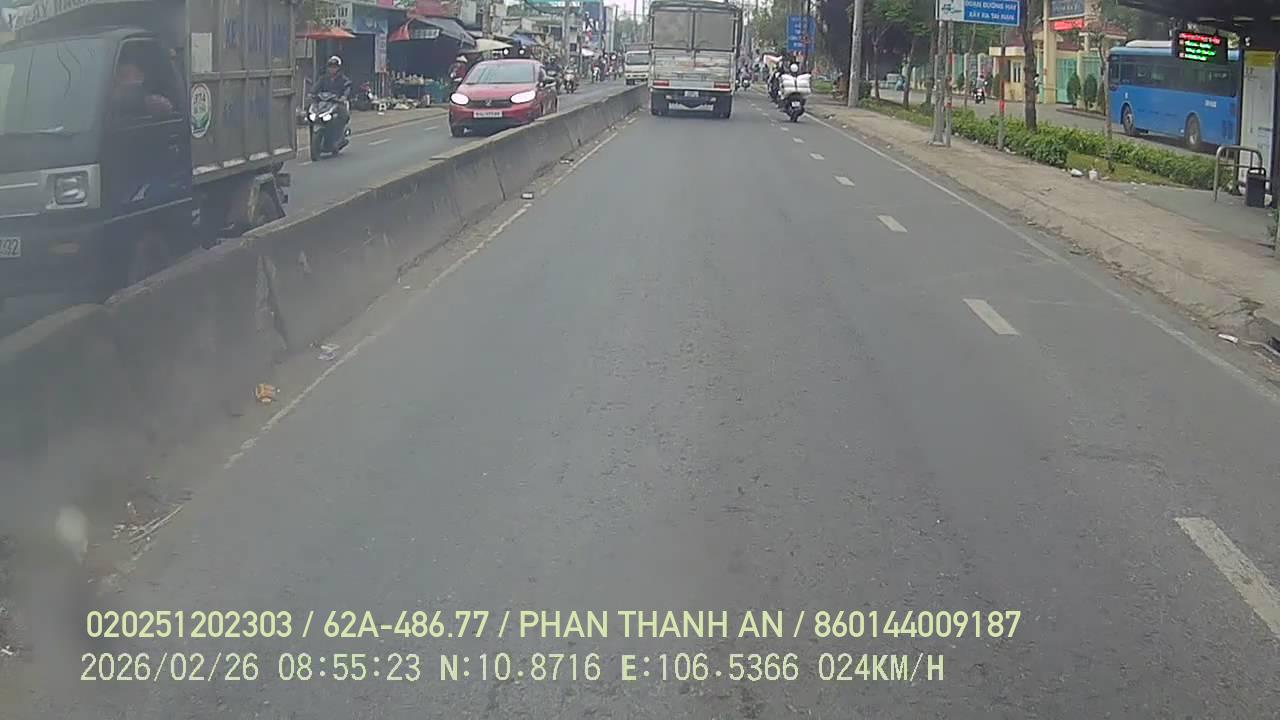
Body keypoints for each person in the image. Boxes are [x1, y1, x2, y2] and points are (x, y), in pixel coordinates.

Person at [311, 56, 352, 140]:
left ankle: (340, 135)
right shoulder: (323, 78)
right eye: (330, 67)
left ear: (338, 68)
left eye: (334, 67)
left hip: (337, 103)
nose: (332, 69)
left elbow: (347, 88)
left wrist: (343, 97)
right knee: (311, 115)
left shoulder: (343, 79)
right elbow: (315, 88)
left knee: (343, 115)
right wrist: (312, 93)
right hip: (324, 103)